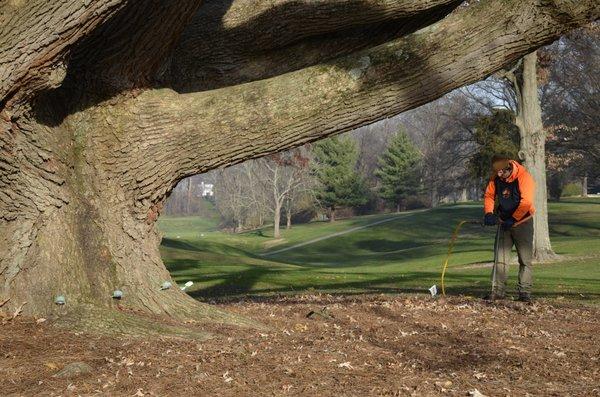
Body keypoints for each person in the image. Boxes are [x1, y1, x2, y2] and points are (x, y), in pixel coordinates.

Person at [483, 155, 535, 302]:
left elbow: (527, 203)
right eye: (496, 173)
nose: (498, 176)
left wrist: (514, 219)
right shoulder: (496, 177)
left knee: (525, 260)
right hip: (503, 222)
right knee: (500, 259)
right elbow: (489, 195)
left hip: (522, 223)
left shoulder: (524, 177)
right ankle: (497, 292)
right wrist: (488, 213)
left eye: (501, 172)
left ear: (508, 168)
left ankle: (524, 292)